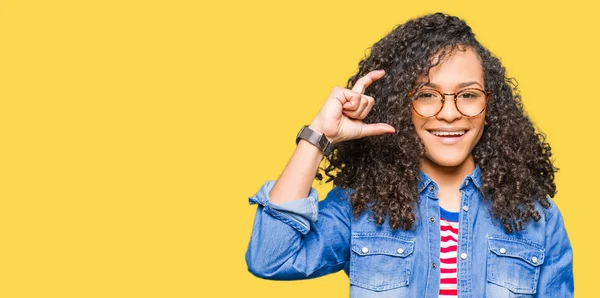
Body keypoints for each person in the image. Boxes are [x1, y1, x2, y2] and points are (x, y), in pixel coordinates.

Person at [245, 12, 573, 297]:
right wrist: (320, 135)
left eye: (468, 94)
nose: (449, 113)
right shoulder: (359, 207)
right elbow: (271, 258)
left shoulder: (537, 218)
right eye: (427, 95)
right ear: (402, 105)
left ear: (490, 105)